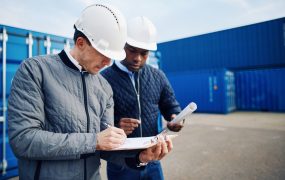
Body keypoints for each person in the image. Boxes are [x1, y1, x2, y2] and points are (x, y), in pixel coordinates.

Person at [8, 5, 173, 180]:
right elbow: (23, 140)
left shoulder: (103, 87)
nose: (108, 63)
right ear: (81, 43)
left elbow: (106, 147)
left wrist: (140, 157)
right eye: (104, 54)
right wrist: (93, 140)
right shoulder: (35, 71)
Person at [101, 16, 184, 180]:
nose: (137, 58)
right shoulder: (103, 79)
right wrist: (115, 126)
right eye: (132, 50)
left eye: (144, 53)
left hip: (153, 159)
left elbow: (171, 106)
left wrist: (176, 119)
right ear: (121, 45)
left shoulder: (158, 76)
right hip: (121, 163)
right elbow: (95, 122)